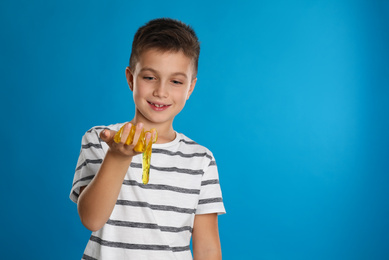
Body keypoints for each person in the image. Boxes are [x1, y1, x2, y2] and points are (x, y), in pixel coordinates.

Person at [70, 18, 225, 260]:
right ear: (131, 78)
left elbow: (207, 249)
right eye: (150, 77)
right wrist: (117, 157)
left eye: (175, 81)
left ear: (190, 88)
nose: (161, 92)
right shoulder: (100, 139)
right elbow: (91, 219)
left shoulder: (201, 160)